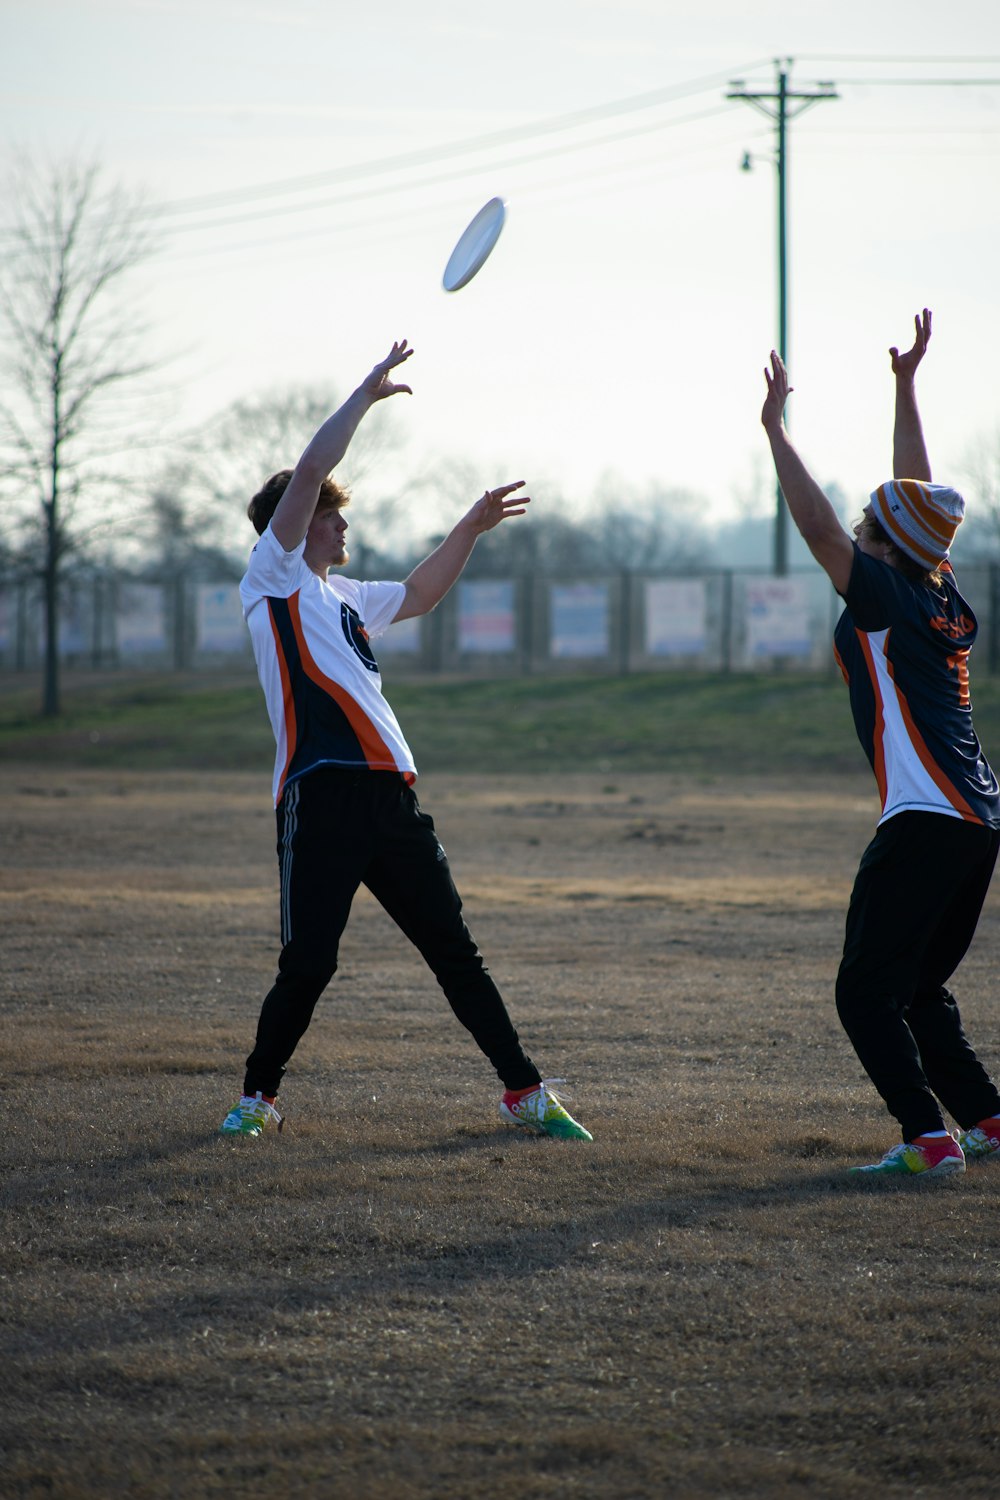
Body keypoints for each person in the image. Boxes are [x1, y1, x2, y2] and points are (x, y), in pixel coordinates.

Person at [220, 339, 591, 1142]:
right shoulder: (273, 574)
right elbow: (311, 469)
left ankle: (523, 1092)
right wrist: (360, 396)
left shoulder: (343, 594)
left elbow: (422, 592)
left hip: (392, 800)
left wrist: (471, 525)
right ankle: (257, 1098)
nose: (342, 520)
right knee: (310, 965)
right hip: (320, 796)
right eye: (330, 511)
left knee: (456, 953)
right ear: (296, 524)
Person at [761, 309, 1000, 1177]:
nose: (857, 527)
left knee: (865, 994)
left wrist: (776, 434)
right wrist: (905, 387)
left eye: (870, 524)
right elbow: (920, 504)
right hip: (975, 820)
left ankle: (927, 1140)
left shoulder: (884, 598)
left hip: (927, 818)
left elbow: (826, 530)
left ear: (881, 548)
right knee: (916, 991)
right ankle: (985, 1121)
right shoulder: (929, 590)